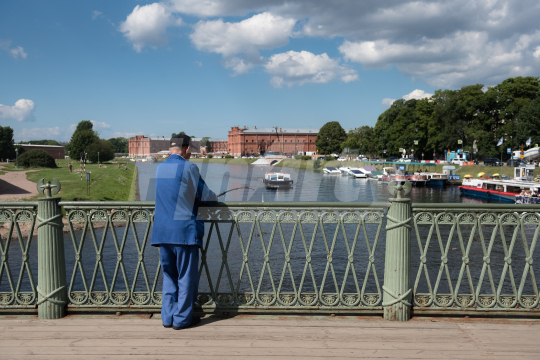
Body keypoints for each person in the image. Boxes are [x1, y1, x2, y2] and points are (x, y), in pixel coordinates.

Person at [152, 134, 217, 330]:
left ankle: (168, 317)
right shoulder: (189, 167)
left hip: (162, 231)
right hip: (183, 232)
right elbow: (207, 196)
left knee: (170, 276)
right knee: (186, 276)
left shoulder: (160, 167)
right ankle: (182, 320)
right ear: (187, 149)